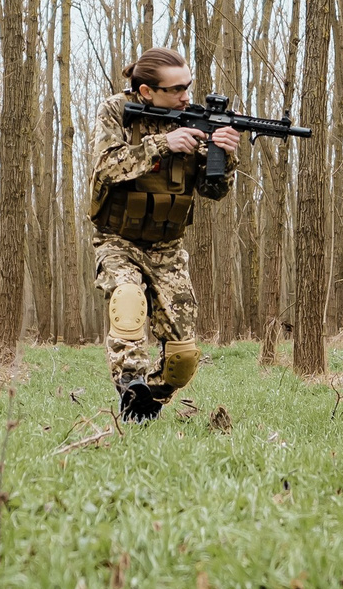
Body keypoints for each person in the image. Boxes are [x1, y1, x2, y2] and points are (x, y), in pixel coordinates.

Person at [89, 48, 241, 422]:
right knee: (126, 302)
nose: (186, 96)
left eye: (188, 87)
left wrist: (225, 156)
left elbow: (214, 192)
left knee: (183, 359)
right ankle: (130, 383)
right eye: (176, 90)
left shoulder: (196, 118)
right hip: (117, 238)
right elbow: (105, 167)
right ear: (146, 92)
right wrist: (162, 144)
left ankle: (147, 400)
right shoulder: (116, 110)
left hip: (167, 246)